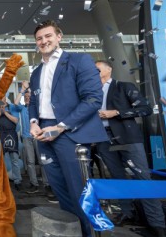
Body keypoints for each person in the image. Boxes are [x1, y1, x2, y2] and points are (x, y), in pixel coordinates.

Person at [28, 20, 108, 237]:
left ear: (59, 36)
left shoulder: (79, 60)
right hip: (44, 133)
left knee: (80, 191)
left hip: (69, 134)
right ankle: (74, 232)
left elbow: (93, 98)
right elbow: (34, 103)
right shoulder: (36, 72)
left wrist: (61, 127)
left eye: (48, 36)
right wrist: (34, 122)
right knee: (60, 190)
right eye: (39, 38)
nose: (44, 41)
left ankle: (90, 233)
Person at [95, 60, 166, 237]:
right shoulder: (90, 92)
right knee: (117, 178)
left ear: (109, 69)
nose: (94, 71)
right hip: (103, 139)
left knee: (142, 178)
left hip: (128, 137)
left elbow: (145, 109)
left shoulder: (124, 86)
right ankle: (127, 213)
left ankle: (157, 223)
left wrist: (117, 112)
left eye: (97, 68)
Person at [14, 82, 56, 202]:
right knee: (31, 162)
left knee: (43, 161)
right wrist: (22, 91)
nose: (27, 99)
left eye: (29, 97)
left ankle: (47, 184)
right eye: (26, 97)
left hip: (38, 137)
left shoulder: (37, 108)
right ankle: (34, 184)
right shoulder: (22, 108)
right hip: (27, 138)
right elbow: (16, 103)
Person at [0, 96, 22, 190]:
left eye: (3, 98)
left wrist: (5, 112)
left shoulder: (12, 107)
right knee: (0, 161)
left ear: (5, 99)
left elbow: (16, 120)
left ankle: (17, 181)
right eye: (0, 98)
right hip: (0, 135)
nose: (2, 100)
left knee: (14, 159)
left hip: (11, 134)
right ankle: (1, 182)